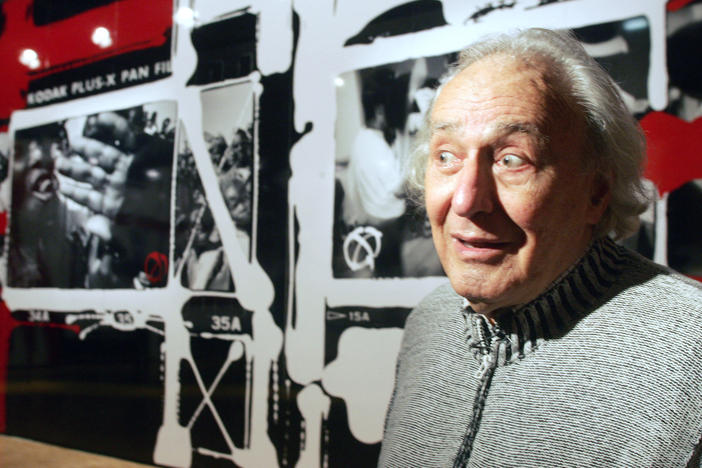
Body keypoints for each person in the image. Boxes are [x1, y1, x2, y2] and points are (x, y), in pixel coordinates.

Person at [379, 28, 702, 467]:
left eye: (513, 159)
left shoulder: (689, 348)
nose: (466, 200)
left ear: (596, 192)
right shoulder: (430, 322)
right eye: (446, 156)